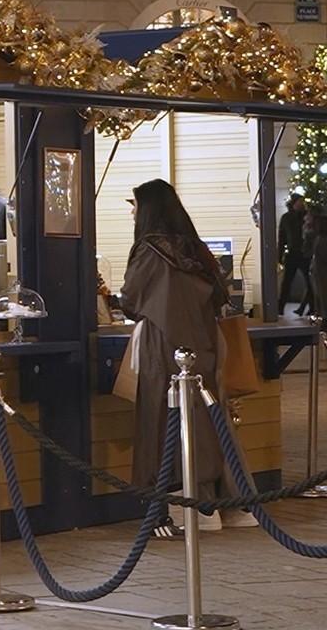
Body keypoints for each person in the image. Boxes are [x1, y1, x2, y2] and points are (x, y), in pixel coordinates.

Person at [119, 178, 252, 530]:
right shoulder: (194, 248)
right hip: (205, 343)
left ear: (148, 209)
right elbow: (221, 295)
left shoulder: (149, 249)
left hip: (163, 345)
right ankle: (227, 502)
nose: (132, 212)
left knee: (162, 420)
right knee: (209, 418)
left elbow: (130, 299)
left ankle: (182, 504)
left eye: (134, 205)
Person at [277, 194, 311, 316]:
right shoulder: (286, 218)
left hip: (305, 253)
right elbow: (282, 237)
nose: (301, 204)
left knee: (309, 281)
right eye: (299, 201)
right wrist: (279, 255)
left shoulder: (306, 216)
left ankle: (309, 307)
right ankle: (280, 307)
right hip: (293, 253)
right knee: (287, 281)